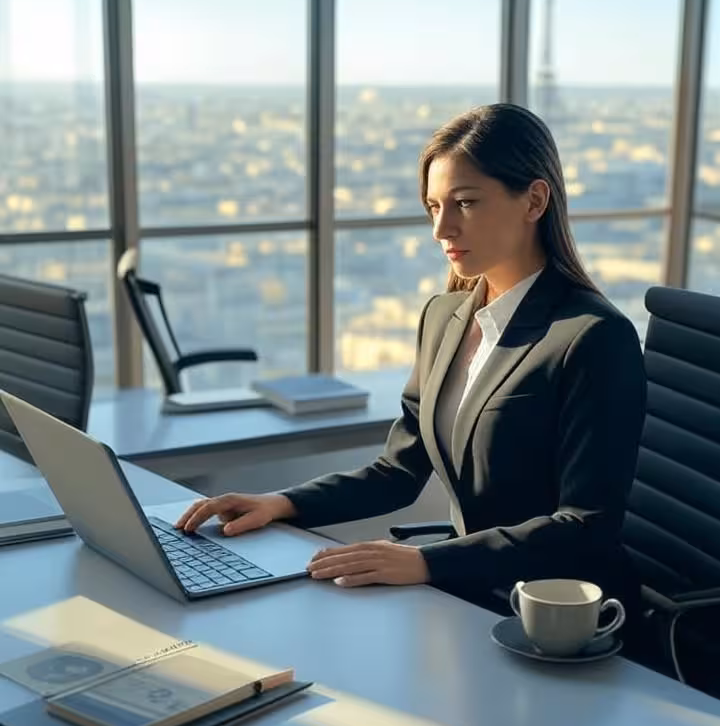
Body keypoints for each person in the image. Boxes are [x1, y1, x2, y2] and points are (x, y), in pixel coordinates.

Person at [175, 103, 647, 624]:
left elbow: (585, 525)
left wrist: (426, 562)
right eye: (432, 206)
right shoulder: (444, 317)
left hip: (563, 617)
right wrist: (282, 503)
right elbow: (399, 470)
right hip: (472, 599)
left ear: (534, 200)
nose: (441, 229)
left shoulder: (594, 337)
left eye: (465, 203)